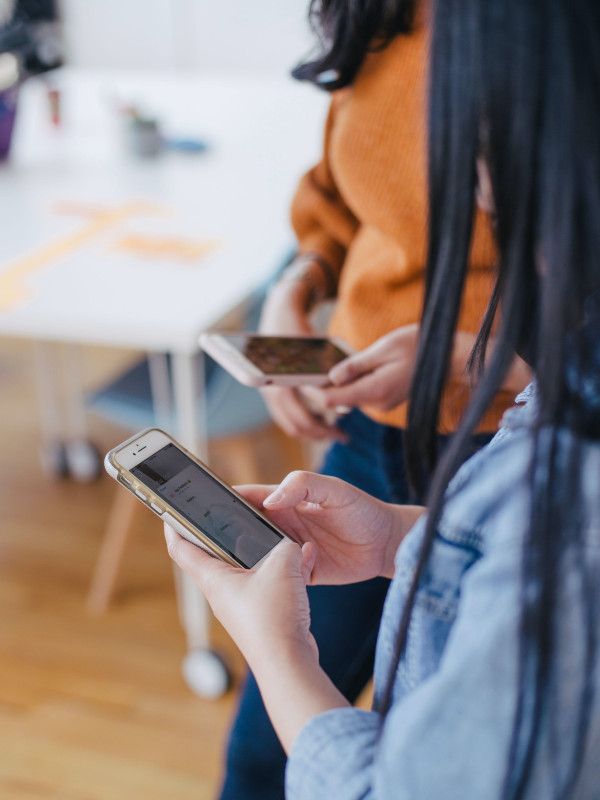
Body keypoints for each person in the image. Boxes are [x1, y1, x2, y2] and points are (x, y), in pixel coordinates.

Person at [165, 0, 600, 796]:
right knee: (260, 752)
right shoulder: (384, 19)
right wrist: (299, 283)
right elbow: (333, 195)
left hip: (493, 434)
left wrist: (274, 651)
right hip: (377, 429)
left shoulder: (552, 497)